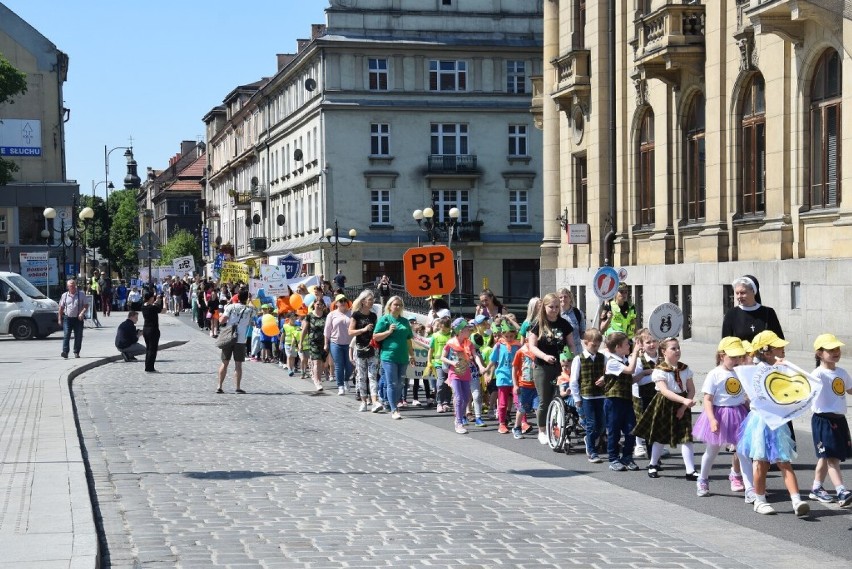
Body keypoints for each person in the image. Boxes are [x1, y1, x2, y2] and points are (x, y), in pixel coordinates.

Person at [737, 330, 809, 516]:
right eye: (779, 347)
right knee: (761, 462)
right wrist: (773, 370)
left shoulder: (782, 367)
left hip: (778, 422)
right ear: (767, 352)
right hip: (761, 421)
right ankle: (759, 499)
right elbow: (755, 389)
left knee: (784, 461)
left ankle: (796, 500)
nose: (783, 349)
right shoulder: (755, 370)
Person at [692, 337, 754, 499]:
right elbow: (707, 399)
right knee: (712, 451)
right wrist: (712, 419)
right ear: (721, 356)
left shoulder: (741, 372)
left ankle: (750, 489)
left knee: (743, 453)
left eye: (739, 357)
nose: (736, 361)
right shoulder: (715, 374)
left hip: (739, 414)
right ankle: (702, 479)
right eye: (732, 357)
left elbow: (745, 395)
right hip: (720, 414)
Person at [632, 337, 698, 480]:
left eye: (678, 348)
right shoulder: (659, 370)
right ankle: (653, 464)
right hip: (665, 404)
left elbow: (691, 389)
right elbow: (665, 391)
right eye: (673, 348)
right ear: (664, 351)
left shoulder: (685, 369)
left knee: (686, 438)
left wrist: (684, 405)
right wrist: (684, 400)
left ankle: (690, 470)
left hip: (682, 404)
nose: (677, 351)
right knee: (660, 437)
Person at [808, 333, 852, 507]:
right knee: (831, 457)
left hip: (839, 420)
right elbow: (805, 391)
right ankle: (841, 490)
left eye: (837, 349)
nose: (836, 352)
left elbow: (850, 390)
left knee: (825, 457)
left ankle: (817, 488)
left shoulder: (842, 372)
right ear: (819, 353)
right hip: (823, 421)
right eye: (830, 350)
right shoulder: (817, 374)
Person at [528, 292, 575, 444]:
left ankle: (559, 429)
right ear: (544, 307)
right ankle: (542, 430)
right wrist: (544, 356)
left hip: (561, 366)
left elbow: (571, 344)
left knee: (562, 397)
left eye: (556, 307)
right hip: (542, 365)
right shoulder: (537, 324)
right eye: (551, 307)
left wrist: (572, 358)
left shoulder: (564, 324)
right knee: (545, 399)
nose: (554, 309)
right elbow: (532, 347)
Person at [602, 332, 643, 472]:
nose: (629, 346)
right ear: (618, 347)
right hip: (613, 401)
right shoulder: (613, 362)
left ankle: (627, 456)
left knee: (631, 429)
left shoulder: (624, 359)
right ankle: (613, 458)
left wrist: (644, 373)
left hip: (626, 400)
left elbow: (629, 379)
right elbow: (630, 370)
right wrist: (636, 353)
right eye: (627, 344)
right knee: (614, 431)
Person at [373, 295, 415, 420]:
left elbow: (408, 339)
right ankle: (394, 409)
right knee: (392, 383)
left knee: (400, 384)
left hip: (402, 357)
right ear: (390, 306)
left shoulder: (404, 321)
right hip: (388, 356)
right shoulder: (385, 319)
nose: (397, 307)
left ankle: (392, 403)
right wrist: (388, 332)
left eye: (400, 305)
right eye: (395, 304)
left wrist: (412, 355)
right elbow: (375, 336)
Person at [569, 328, 607, 462]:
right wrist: (577, 398)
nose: (596, 348)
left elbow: (608, 373)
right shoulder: (579, 359)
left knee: (602, 423)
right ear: (586, 343)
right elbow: (573, 380)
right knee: (591, 423)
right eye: (593, 345)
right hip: (587, 396)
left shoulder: (603, 357)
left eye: (598, 345)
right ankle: (592, 451)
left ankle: (589, 438)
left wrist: (604, 378)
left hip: (601, 395)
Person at [442, 318, 482, 434]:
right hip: (454, 373)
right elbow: (442, 357)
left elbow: (475, 356)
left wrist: (481, 366)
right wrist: (452, 363)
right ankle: (458, 422)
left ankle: (459, 416)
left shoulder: (469, 343)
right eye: (466, 329)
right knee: (459, 397)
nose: (469, 331)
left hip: (466, 373)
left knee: (465, 398)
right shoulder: (450, 343)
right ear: (460, 331)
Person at [216, 288, 256, 394]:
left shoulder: (230, 307)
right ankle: (237, 387)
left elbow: (222, 320)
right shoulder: (250, 309)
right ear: (247, 298)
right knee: (238, 364)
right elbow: (254, 315)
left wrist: (221, 315)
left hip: (229, 337)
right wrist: (250, 301)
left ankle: (219, 386)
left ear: (237, 297)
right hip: (241, 339)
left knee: (224, 363)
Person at [721, 275, 783, 341]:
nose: (739, 296)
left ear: (753, 291)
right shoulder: (731, 314)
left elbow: (779, 340)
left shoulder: (768, 312)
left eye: (743, 293)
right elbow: (725, 343)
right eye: (737, 293)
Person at [487, 320, 522, 434]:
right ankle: (502, 423)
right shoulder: (498, 346)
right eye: (507, 336)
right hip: (503, 376)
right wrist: (487, 370)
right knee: (502, 402)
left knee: (519, 401)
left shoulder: (517, 346)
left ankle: (523, 422)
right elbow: (493, 360)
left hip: (516, 377)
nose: (509, 338)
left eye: (511, 336)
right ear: (502, 335)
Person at [349, 290, 379, 412]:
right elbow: (350, 332)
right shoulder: (356, 315)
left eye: (373, 300)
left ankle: (375, 401)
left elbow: (376, 331)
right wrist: (364, 329)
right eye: (370, 299)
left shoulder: (373, 316)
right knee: (361, 376)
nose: (372, 302)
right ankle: (363, 401)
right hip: (360, 348)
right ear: (363, 301)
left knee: (372, 375)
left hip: (372, 348)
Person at [631, 329, 659, 459]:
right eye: (648, 342)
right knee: (641, 421)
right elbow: (638, 379)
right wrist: (657, 376)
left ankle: (656, 447)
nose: (652, 344)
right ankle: (639, 444)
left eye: (654, 341)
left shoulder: (662, 358)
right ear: (641, 344)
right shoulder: (639, 360)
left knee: (657, 422)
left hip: (658, 395)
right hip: (641, 395)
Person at [325, 293, 353, 396]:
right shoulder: (331, 314)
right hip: (335, 343)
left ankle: (346, 380)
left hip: (349, 344)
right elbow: (327, 330)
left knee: (350, 366)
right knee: (339, 365)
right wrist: (325, 343)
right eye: (340, 301)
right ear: (336, 303)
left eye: (344, 300)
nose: (343, 303)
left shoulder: (351, 313)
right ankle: (340, 386)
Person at [301, 299, 330, 392]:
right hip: (313, 342)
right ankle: (317, 381)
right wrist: (300, 342)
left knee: (322, 362)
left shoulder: (326, 316)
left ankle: (317, 377)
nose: (319, 306)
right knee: (317, 361)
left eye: (321, 304)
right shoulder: (309, 316)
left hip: (324, 342)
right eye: (318, 304)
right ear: (314, 304)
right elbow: (304, 330)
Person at [428, 316, 454, 413]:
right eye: (443, 327)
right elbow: (431, 350)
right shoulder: (435, 336)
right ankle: (439, 402)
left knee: (449, 383)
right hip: (439, 362)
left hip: (450, 362)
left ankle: (446, 403)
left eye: (447, 327)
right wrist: (429, 361)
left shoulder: (452, 335)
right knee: (441, 382)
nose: (445, 329)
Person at [58, 278, 89, 359]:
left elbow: (86, 305)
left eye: (74, 286)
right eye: (71, 286)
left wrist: (82, 313)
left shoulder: (81, 294)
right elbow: (61, 308)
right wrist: (59, 318)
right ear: (68, 287)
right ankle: (65, 352)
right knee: (66, 334)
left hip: (78, 319)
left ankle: (76, 352)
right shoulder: (64, 295)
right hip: (67, 318)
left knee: (78, 335)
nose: (73, 287)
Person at [140, 290, 165, 373]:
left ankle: (147, 366)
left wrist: (156, 302)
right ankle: (150, 367)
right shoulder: (152, 307)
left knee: (148, 349)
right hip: (153, 330)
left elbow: (152, 305)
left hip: (145, 329)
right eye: (153, 297)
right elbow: (163, 310)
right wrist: (164, 302)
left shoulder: (143, 307)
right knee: (152, 349)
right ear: (150, 298)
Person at [559, 288, 585, 355]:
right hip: (562, 351)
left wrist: (590, 335)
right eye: (560, 297)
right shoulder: (556, 314)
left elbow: (582, 334)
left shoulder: (578, 313)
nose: (563, 299)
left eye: (565, 297)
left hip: (577, 351)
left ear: (570, 298)